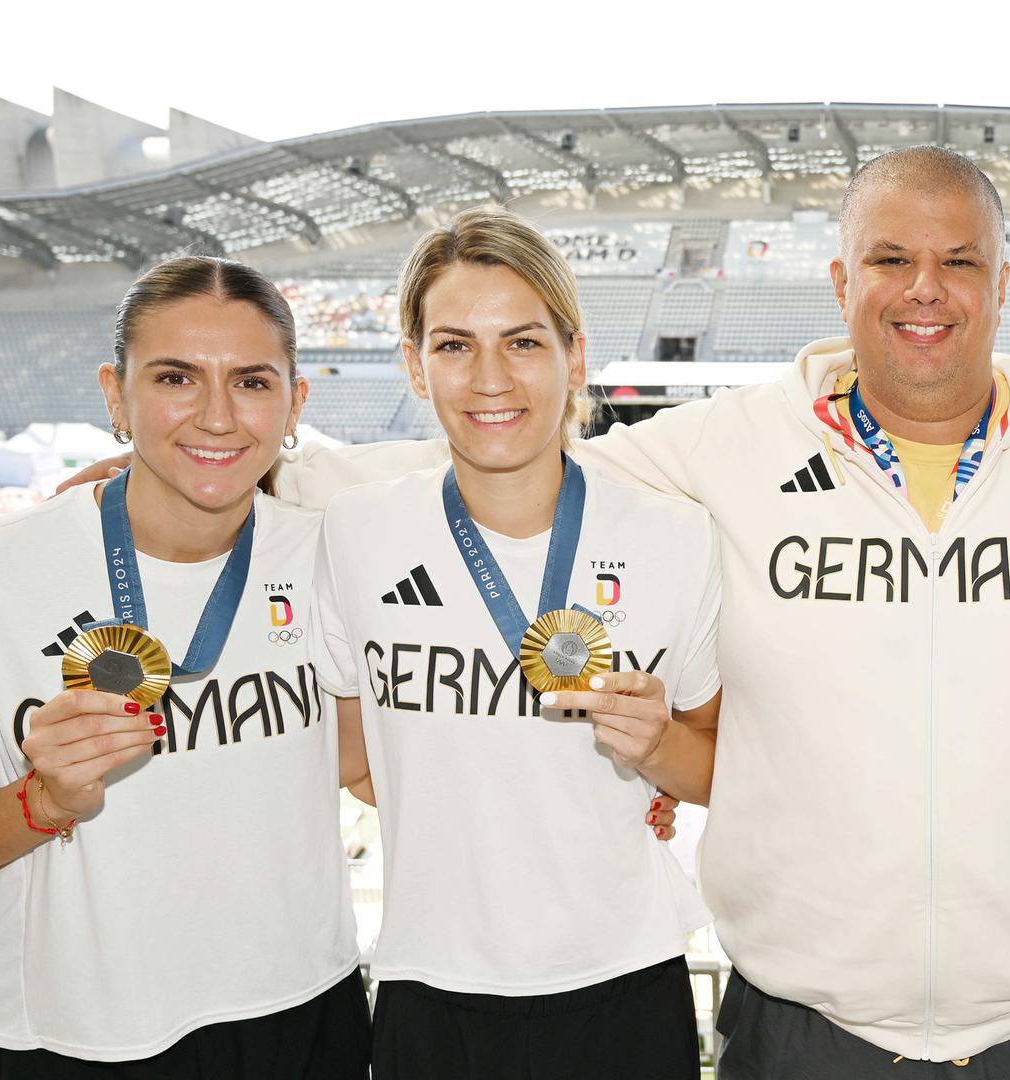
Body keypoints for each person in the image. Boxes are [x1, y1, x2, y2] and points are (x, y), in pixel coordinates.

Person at [66, 148, 1010, 1076]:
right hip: (803, 1020)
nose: (924, 290)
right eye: (891, 258)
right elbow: (504, 458)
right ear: (842, 280)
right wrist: (245, 461)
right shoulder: (730, 448)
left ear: (1007, 282)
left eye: (958, 260)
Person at [310, 205, 722, 1079]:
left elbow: (716, 766)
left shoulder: (675, 538)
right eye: (455, 344)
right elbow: (355, 756)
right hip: (431, 986)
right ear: (414, 369)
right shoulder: (354, 535)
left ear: (575, 357)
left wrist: (658, 751)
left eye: (524, 342)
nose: (490, 377)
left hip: (624, 982)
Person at [0, 256, 367, 1077]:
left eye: (252, 382)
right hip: (72, 1033)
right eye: (177, 377)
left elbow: (370, 758)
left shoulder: (333, 556)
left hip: (300, 1010)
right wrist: (43, 801)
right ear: (115, 393)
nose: (217, 416)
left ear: (295, 404)